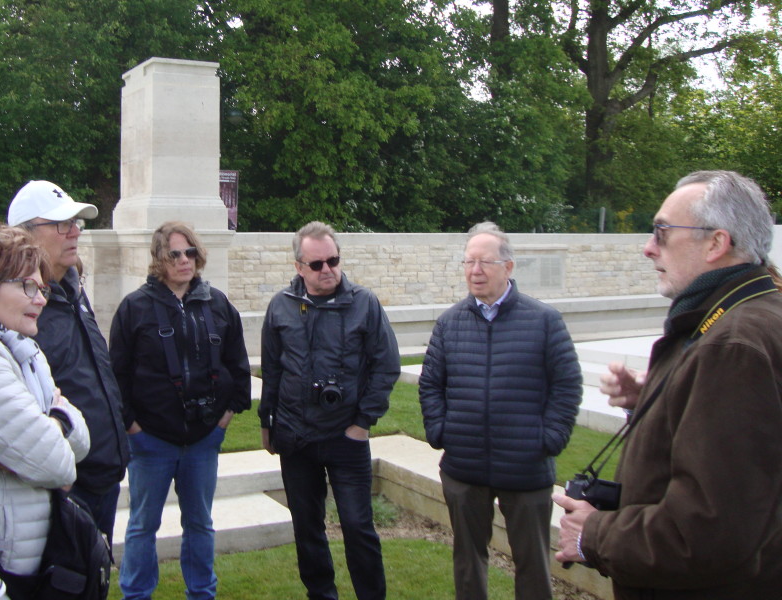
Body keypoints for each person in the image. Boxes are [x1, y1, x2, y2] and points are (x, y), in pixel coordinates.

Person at [555, 171, 782, 599]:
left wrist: (595, 533)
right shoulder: (747, 317)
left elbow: (706, 533)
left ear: (716, 243)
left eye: (661, 231)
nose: (647, 247)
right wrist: (656, 402)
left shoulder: (733, 346)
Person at [419, 221, 582, 600]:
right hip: (464, 467)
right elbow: (431, 384)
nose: (475, 271)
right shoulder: (449, 323)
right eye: (469, 262)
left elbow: (567, 385)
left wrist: (550, 439)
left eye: (485, 262)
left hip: (526, 468)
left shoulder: (544, 321)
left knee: (533, 564)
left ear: (508, 267)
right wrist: (440, 432)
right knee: (468, 561)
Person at [109, 221, 251, 600]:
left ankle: (202, 593)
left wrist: (225, 419)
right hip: (151, 440)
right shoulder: (135, 308)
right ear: (159, 258)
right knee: (142, 525)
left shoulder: (217, 303)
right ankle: (136, 595)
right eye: (175, 254)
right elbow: (117, 376)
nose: (185, 260)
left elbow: (239, 367)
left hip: (204, 439)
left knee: (200, 524)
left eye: (190, 252)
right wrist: (132, 427)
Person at [259, 220, 399, 600]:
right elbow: (271, 370)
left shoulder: (364, 304)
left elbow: (386, 366)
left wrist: (363, 423)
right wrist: (267, 423)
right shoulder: (281, 307)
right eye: (317, 264)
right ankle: (321, 595)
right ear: (299, 267)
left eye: (333, 260)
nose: (328, 270)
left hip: (346, 437)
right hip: (295, 437)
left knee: (358, 526)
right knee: (307, 528)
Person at [0, 224, 90, 581]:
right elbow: (56, 463)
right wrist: (57, 419)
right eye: (27, 286)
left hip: (33, 550)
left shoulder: (23, 348)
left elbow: (83, 441)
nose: (41, 299)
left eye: (41, 288)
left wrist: (51, 424)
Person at [8, 180, 129, 543]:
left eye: (77, 222)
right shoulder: (18, 306)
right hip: (64, 486)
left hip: (104, 477)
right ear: (25, 236)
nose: (75, 231)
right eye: (62, 224)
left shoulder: (73, 288)